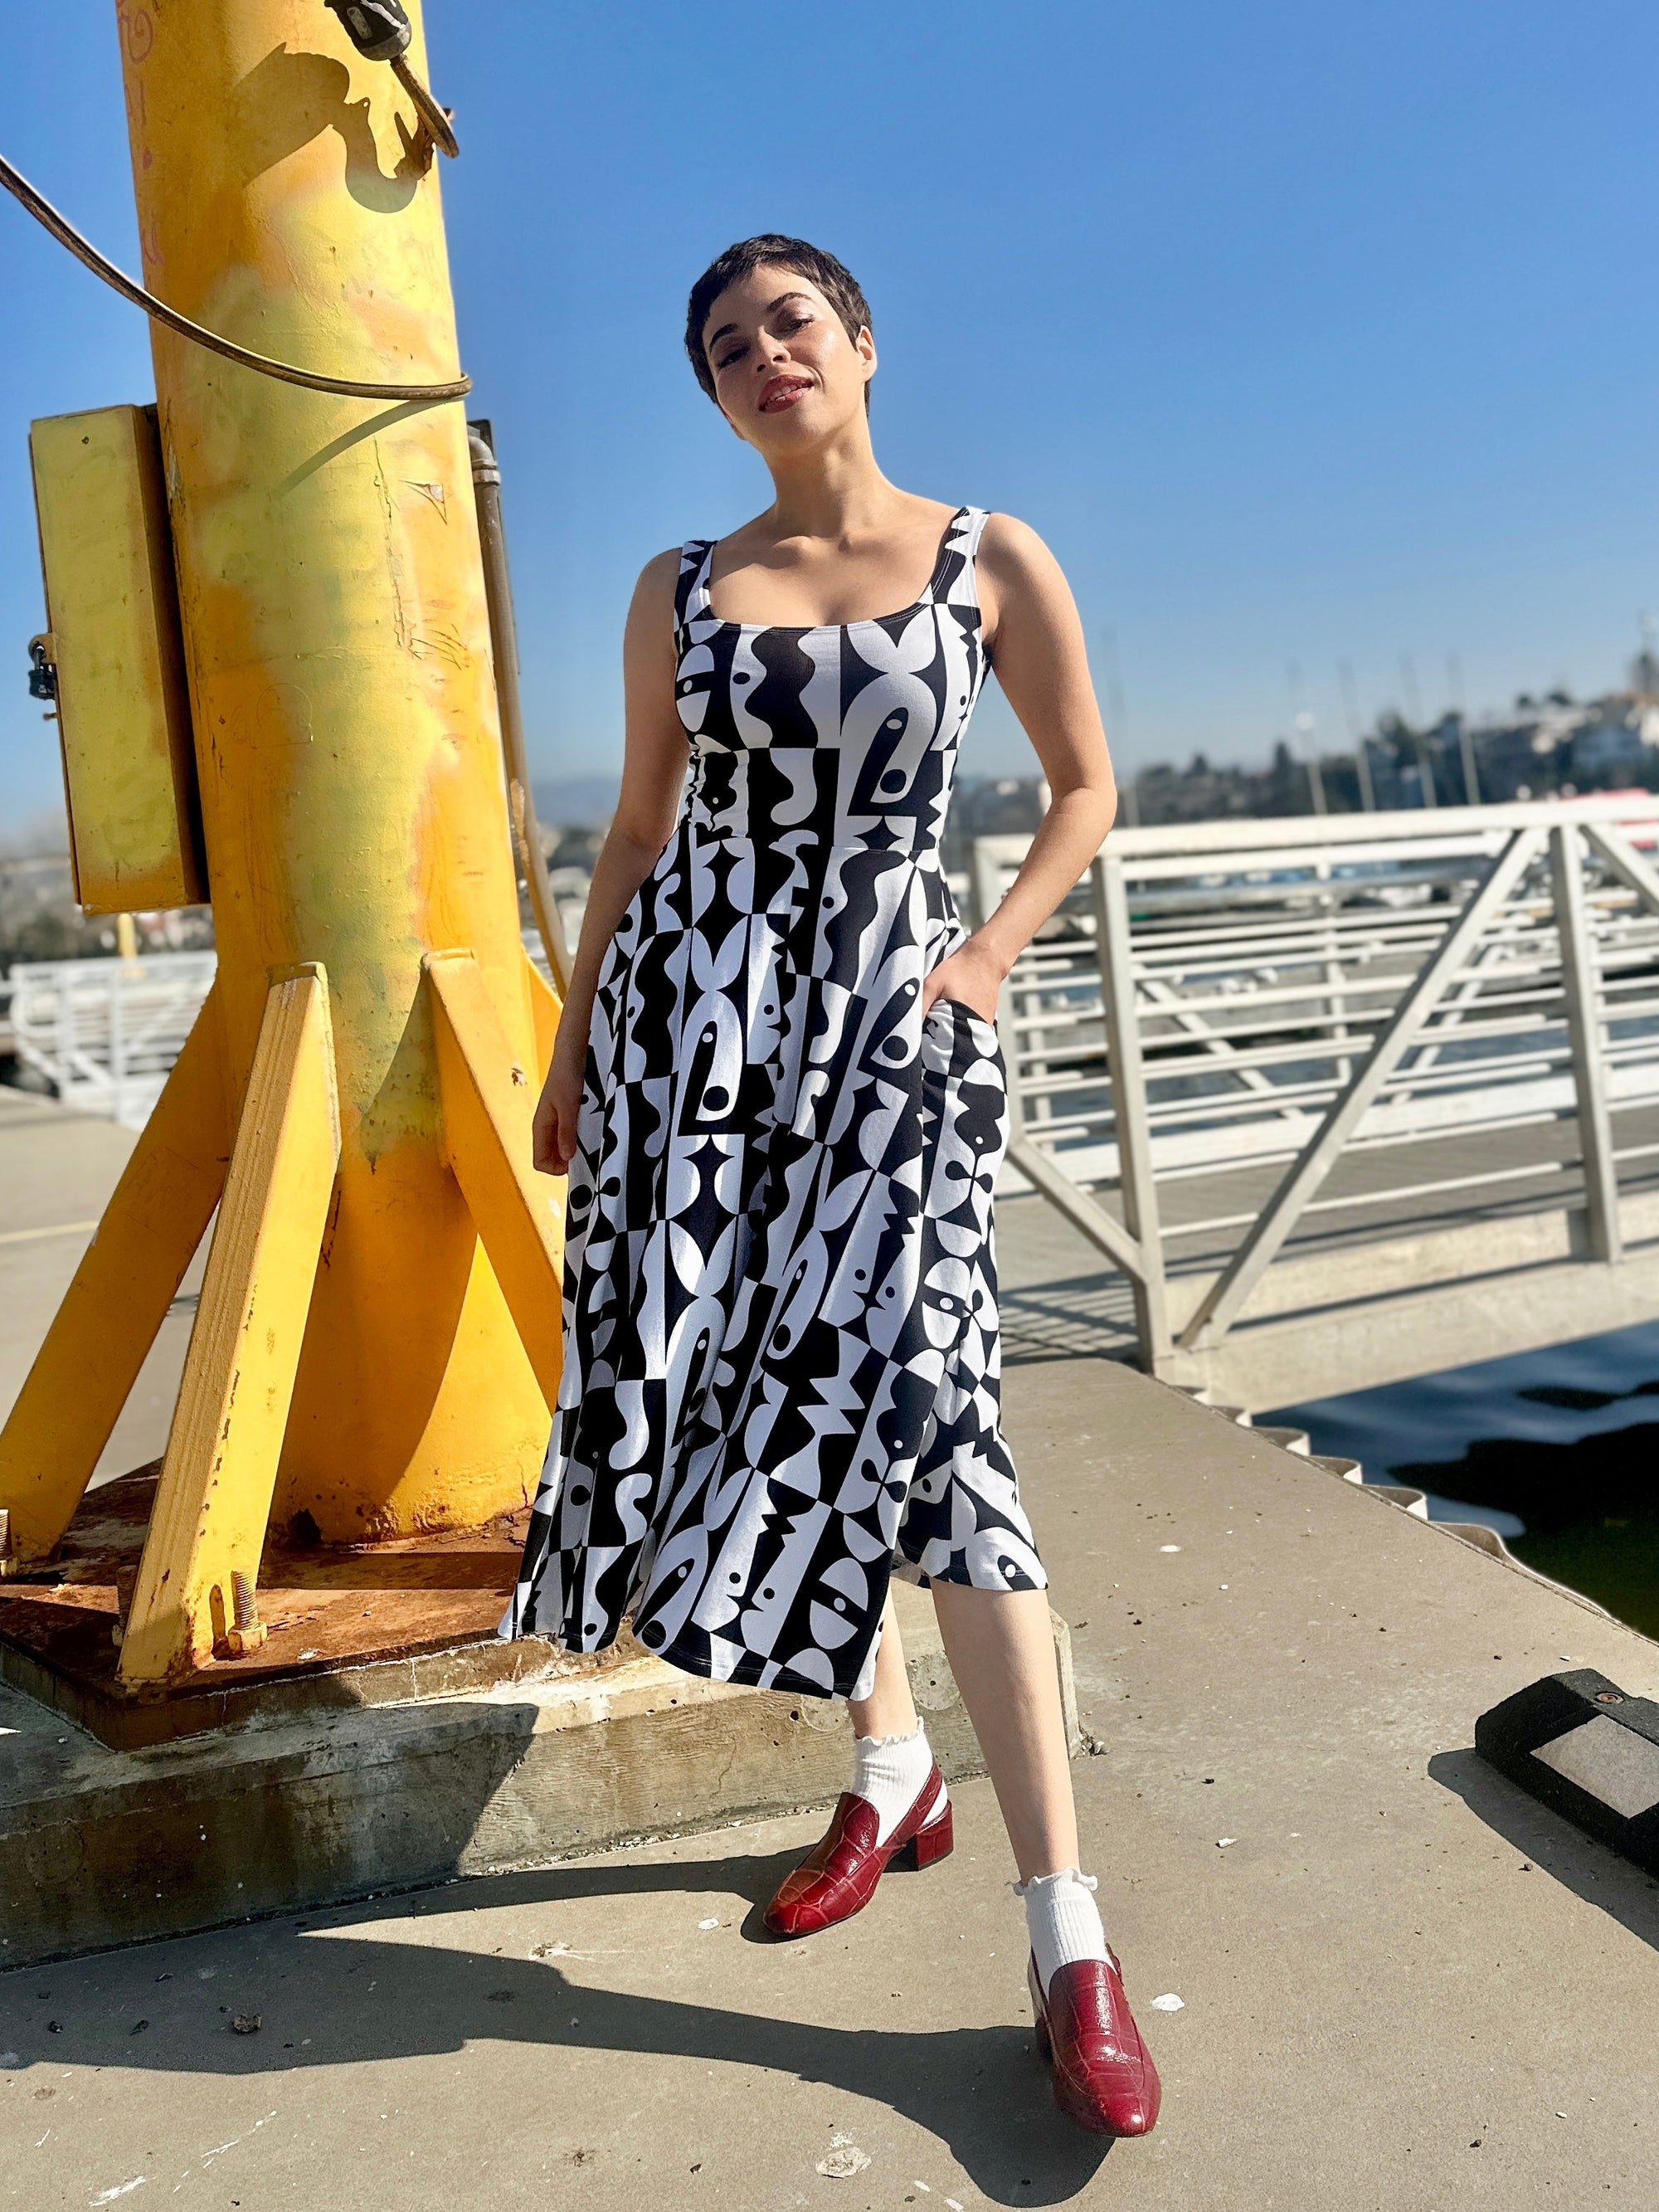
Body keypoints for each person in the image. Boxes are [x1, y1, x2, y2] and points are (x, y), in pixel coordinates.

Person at [504, 235, 1160, 2138]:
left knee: (938, 1416)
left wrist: (983, 958)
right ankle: (889, 1768)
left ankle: (1067, 1932)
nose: (764, 355)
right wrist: (569, 1058)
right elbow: (634, 827)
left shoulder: (988, 556)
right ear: (713, 393)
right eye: (727, 345)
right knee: (764, 1394)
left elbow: (1084, 786)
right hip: (693, 1042)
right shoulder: (683, 588)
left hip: (892, 1019)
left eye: (793, 322)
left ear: (861, 345)